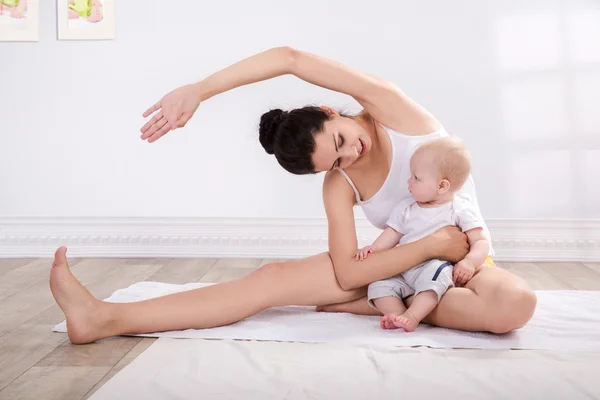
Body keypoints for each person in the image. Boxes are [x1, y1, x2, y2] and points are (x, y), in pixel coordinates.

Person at [49, 46, 537, 345]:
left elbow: (289, 59)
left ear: (332, 111)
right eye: (337, 161)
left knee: (515, 306)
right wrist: (430, 247)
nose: (351, 153)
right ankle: (102, 318)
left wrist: (201, 89)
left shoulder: (392, 110)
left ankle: (383, 305)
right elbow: (348, 270)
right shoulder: (338, 182)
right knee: (271, 278)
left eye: (341, 140)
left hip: (460, 265)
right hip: (398, 264)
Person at [354, 137, 490, 332]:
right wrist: (373, 249)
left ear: (442, 186)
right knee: (378, 286)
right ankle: (397, 315)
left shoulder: (459, 209)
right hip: (404, 265)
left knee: (433, 282)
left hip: (433, 266)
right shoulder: (406, 208)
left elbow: (480, 241)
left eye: (416, 178)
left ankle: (413, 316)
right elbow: (392, 233)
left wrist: (469, 262)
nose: (409, 182)